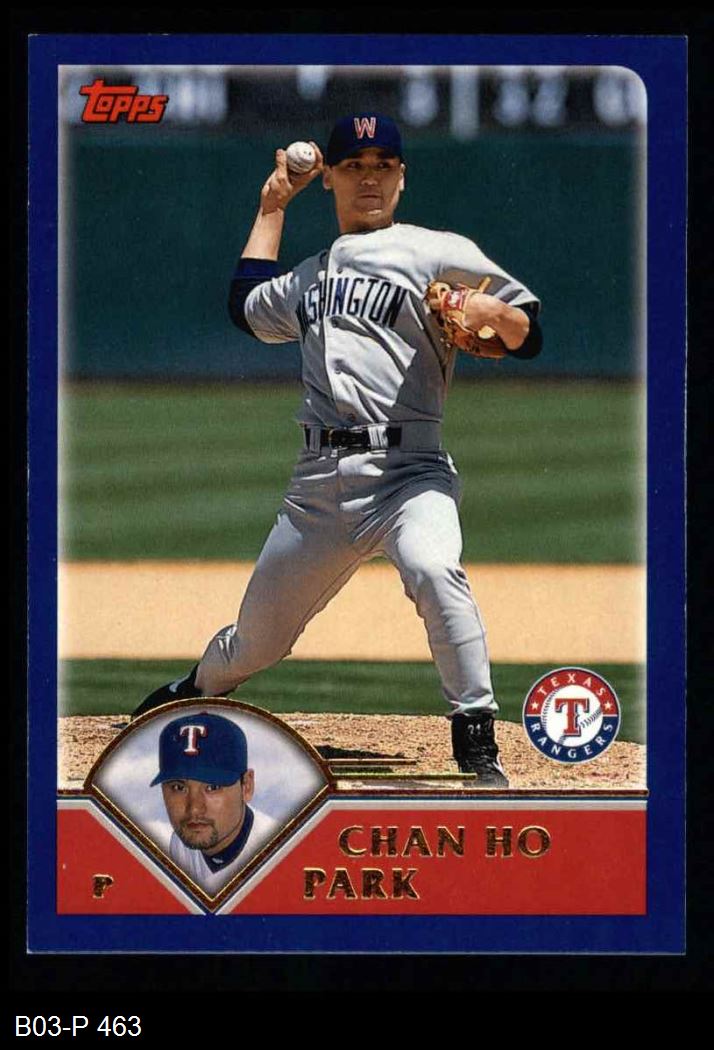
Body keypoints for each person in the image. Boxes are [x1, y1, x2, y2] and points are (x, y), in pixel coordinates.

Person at [135, 113, 543, 785]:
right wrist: (272, 206)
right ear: (328, 178)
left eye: (383, 164)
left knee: (434, 568)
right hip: (319, 487)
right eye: (354, 165)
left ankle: (475, 735)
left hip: (411, 473)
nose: (369, 177)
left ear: (402, 176)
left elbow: (529, 332)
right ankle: (195, 689)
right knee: (255, 643)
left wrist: (492, 313)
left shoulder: (436, 250)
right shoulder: (311, 275)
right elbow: (245, 306)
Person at [151, 711, 277, 892]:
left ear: (246, 786)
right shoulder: (181, 845)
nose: (194, 809)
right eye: (179, 787)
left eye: (212, 787)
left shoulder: (279, 853)